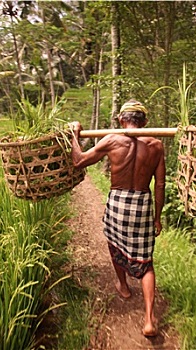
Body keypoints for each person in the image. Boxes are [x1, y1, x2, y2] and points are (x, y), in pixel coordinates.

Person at [69, 99, 166, 337]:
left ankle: (123, 287)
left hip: (118, 202)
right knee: (145, 261)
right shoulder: (156, 145)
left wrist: (74, 134)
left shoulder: (112, 139)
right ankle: (149, 319)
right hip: (142, 203)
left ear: (122, 119)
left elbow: (78, 161)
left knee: (115, 245)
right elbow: (161, 185)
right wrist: (157, 217)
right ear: (144, 122)